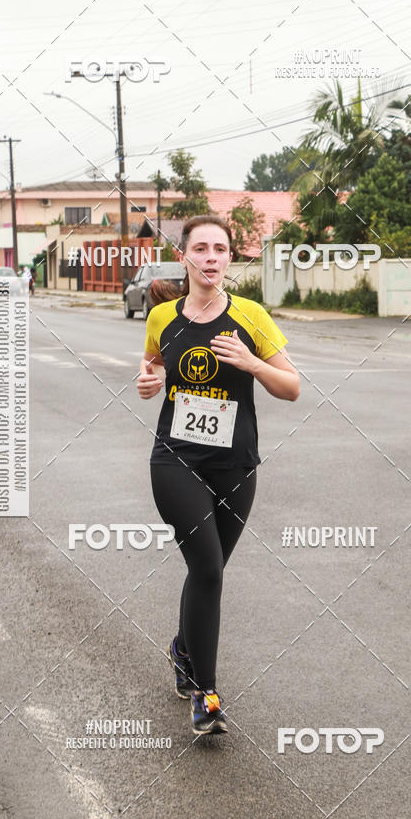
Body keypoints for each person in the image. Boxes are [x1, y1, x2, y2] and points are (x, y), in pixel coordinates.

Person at [137, 214, 300, 736]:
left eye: (220, 249)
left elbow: (292, 387)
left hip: (235, 464)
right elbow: (153, 367)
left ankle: (183, 648)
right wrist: (149, 381)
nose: (211, 257)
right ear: (184, 255)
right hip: (175, 460)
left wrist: (252, 363)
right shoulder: (162, 315)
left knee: (210, 571)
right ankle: (206, 697)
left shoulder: (251, 316)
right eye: (201, 248)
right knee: (207, 569)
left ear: (231, 258)